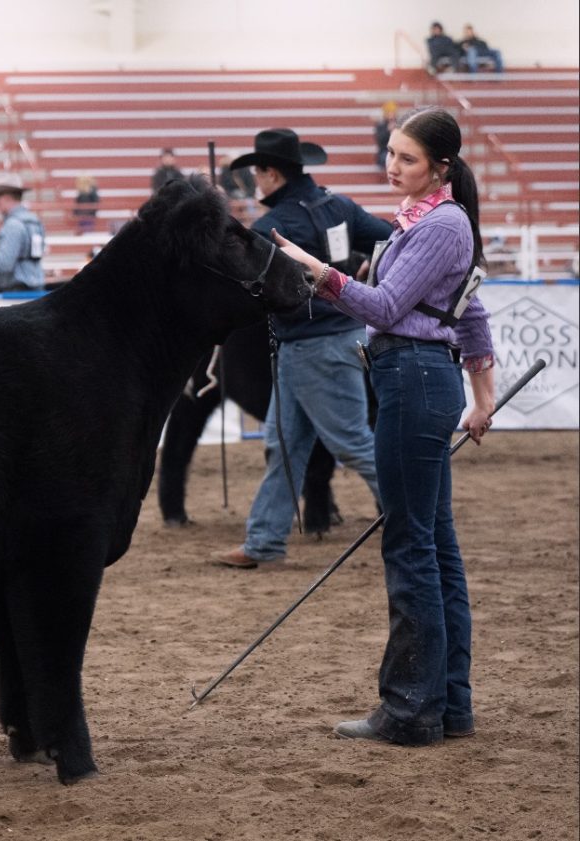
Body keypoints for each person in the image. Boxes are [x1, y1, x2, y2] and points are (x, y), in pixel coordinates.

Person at [272, 105, 495, 745]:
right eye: (391, 153)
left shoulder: (440, 226)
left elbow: (389, 307)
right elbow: (470, 313)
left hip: (411, 377)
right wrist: (482, 396)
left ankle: (409, 710)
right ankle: (448, 705)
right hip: (423, 379)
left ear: (440, 167)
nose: (391, 166)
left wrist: (318, 273)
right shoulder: (436, 223)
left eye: (406, 158)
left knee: (411, 545)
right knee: (434, 544)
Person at [216, 128, 388, 569]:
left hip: (314, 347)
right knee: (284, 443)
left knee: (351, 443)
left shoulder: (273, 227)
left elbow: (234, 282)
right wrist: (362, 271)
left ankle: (417, 517)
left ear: (272, 174)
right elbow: (391, 236)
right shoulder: (339, 205)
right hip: (328, 340)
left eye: (257, 173)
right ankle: (264, 542)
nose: (255, 182)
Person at [374, 101, 399, 171]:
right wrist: (387, 131)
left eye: (393, 112)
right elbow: (380, 142)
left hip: (398, 151)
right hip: (385, 151)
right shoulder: (380, 125)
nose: (391, 115)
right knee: (386, 157)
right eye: (389, 112)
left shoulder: (400, 124)